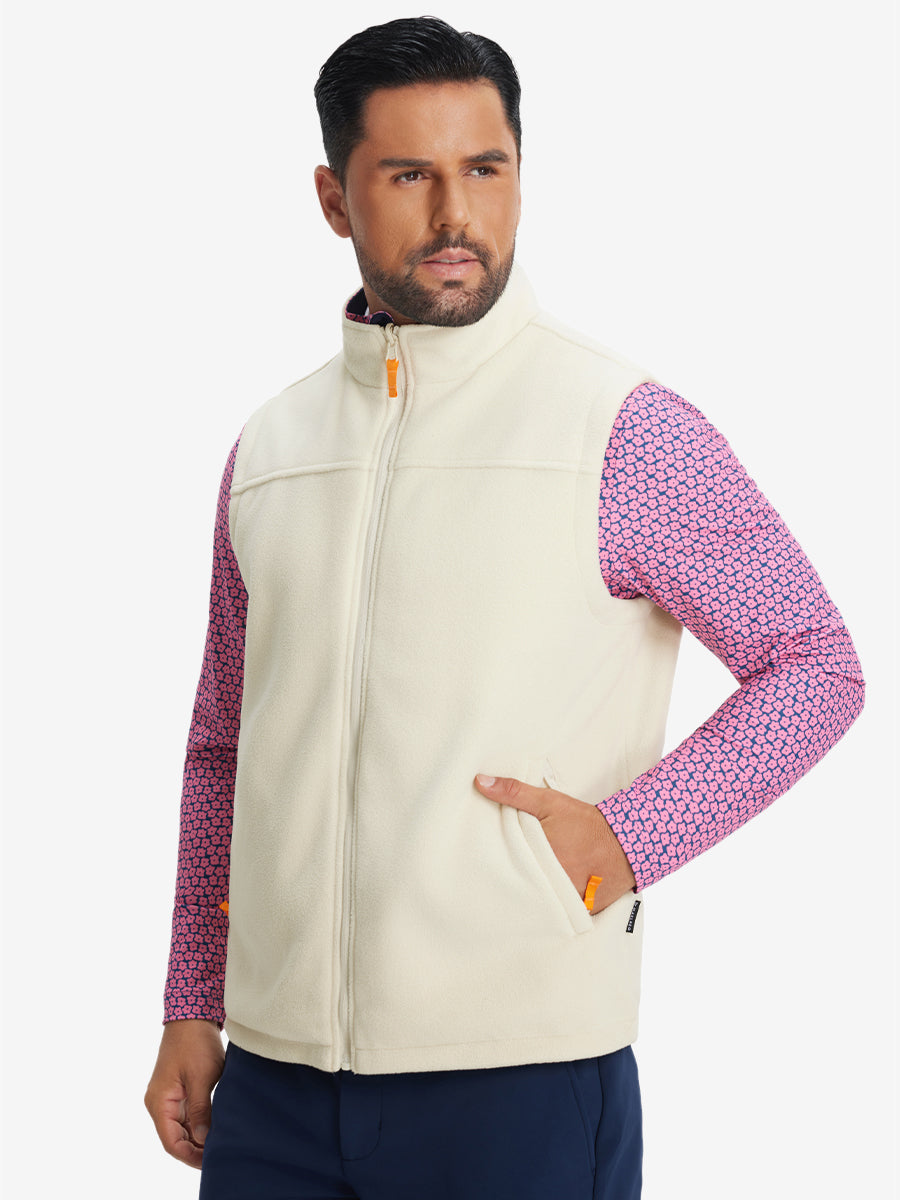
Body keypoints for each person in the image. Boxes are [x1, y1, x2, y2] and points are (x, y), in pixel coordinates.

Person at [144, 16, 865, 1200]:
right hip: (274, 1083)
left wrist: (628, 838)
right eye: (408, 176)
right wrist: (192, 999)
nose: (455, 217)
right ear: (333, 199)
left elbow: (814, 663)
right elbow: (226, 745)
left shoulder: (622, 429)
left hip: (519, 1077)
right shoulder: (270, 451)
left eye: (485, 169)